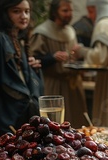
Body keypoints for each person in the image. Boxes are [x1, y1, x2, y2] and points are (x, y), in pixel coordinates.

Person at [30, 0, 88, 128]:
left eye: (71, 10)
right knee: (55, 126)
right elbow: (33, 59)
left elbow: (74, 54)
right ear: (55, 12)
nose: (69, 14)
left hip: (73, 86)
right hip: (54, 86)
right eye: (65, 11)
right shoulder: (42, 32)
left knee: (77, 126)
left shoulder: (71, 31)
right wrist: (52, 57)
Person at [0, 0, 43, 140]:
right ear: (5, 13)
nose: (23, 16)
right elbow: (0, 84)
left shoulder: (16, 38)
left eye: (27, 11)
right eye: (16, 11)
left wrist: (32, 71)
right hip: (6, 118)